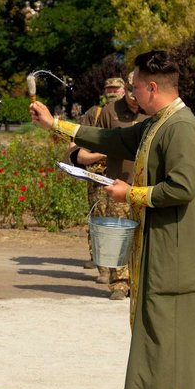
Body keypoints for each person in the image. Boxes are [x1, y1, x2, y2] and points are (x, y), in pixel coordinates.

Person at [31, 50, 195, 389]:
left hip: (181, 248)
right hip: (164, 239)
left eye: (135, 86)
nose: (131, 94)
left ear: (153, 87)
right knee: (161, 333)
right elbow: (114, 138)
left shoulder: (182, 127)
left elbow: (184, 187)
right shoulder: (156, 123)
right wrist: (56, 124)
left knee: (178, 334)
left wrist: (130, 192)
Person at [69, 73, 147, 300]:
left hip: (145, 183)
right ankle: (119, 283)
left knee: (144, 235)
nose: (133, 96)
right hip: (117, 181)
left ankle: (140, 282)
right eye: (129, 90)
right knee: (118, 234)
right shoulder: (110, 112)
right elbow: (91, 142)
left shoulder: (152, 112)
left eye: (136, 90)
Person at [73, 77, 126, 275]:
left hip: (123, 176)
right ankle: (103, 266)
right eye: (109, 89)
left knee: (121, 224)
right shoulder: (94, 113)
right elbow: (79, 146)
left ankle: (118, 270)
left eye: (116, 89)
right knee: (99, 220)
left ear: (124, 90)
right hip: (98, 176)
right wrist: (103, 154)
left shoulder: (130, 114)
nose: (112, 92)